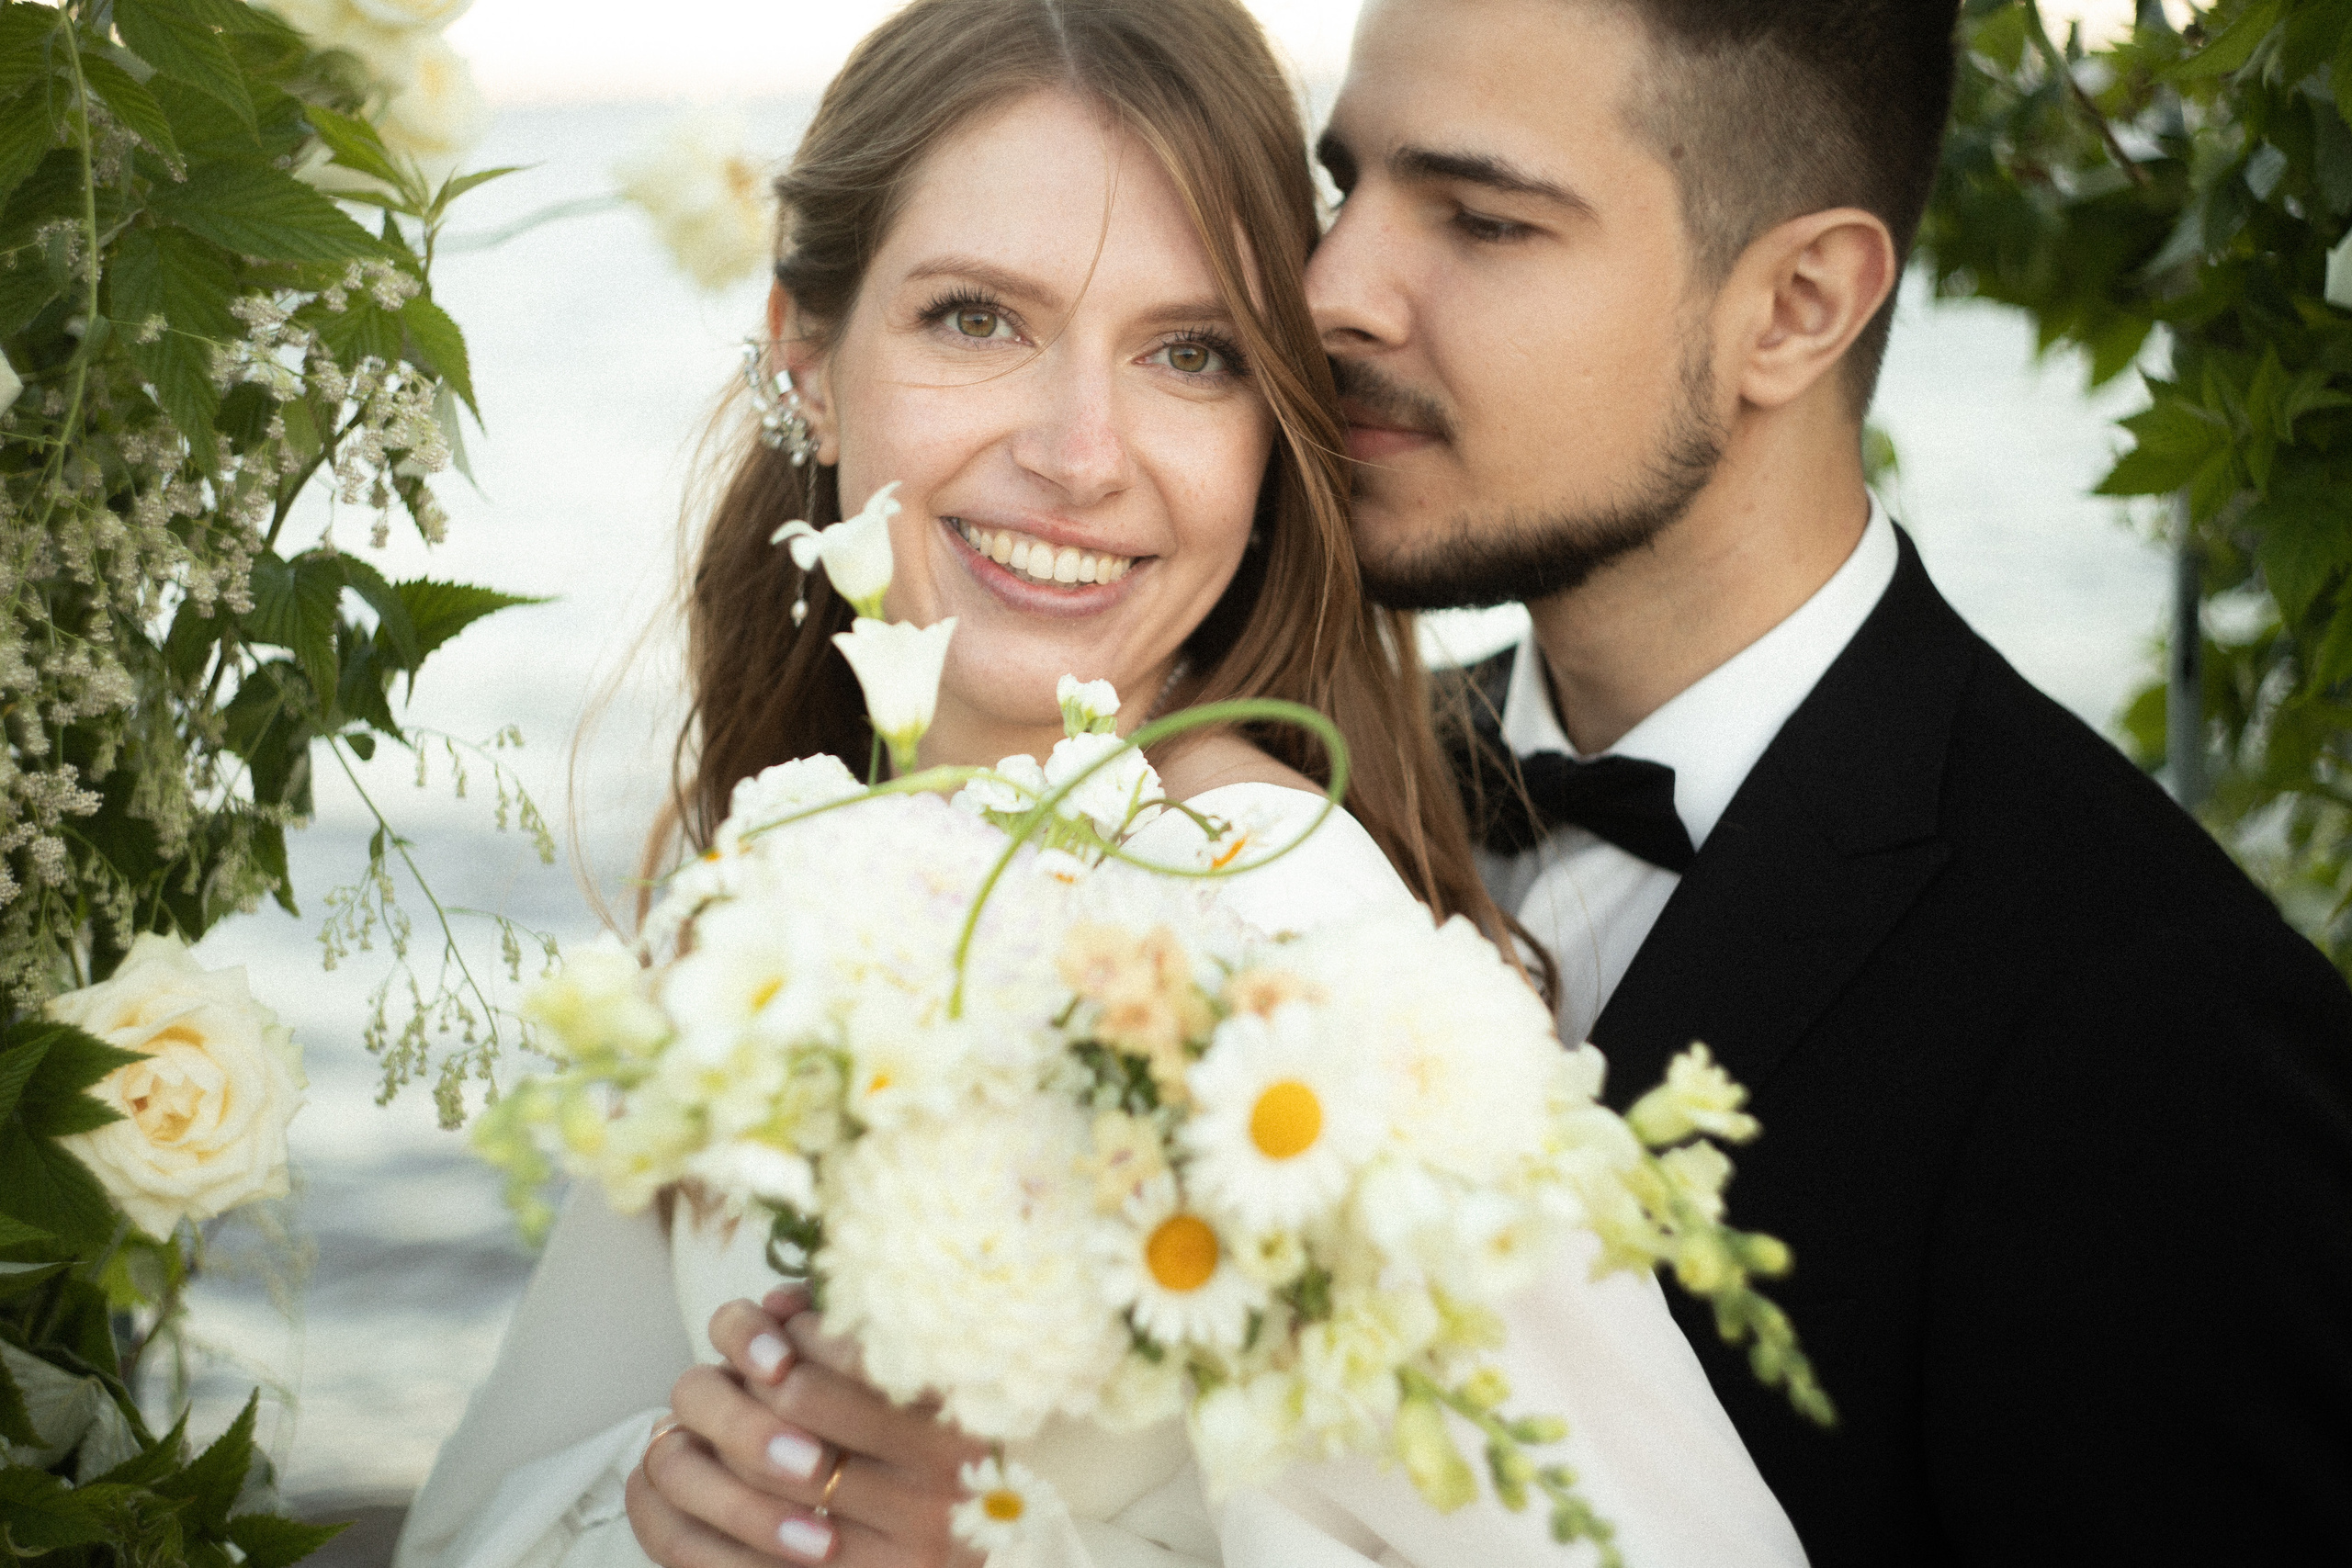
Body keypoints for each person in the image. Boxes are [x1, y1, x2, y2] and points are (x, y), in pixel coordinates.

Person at [393, 4, 1805, 1568]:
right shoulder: (792, 860)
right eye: (978, 320)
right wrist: (671, 1494)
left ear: (1275, 425)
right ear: (808, 356)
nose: (1080, 453)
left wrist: (1004, 1550)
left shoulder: (1280, 932)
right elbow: (486, 1516)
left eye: (1189, 354)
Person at [1299, 0, 2352, 1562]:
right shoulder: (1291, 812)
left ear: (1797, 303)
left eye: (1484, 220)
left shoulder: (2153, 1027)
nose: (1332, 292)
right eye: (1347, 187)